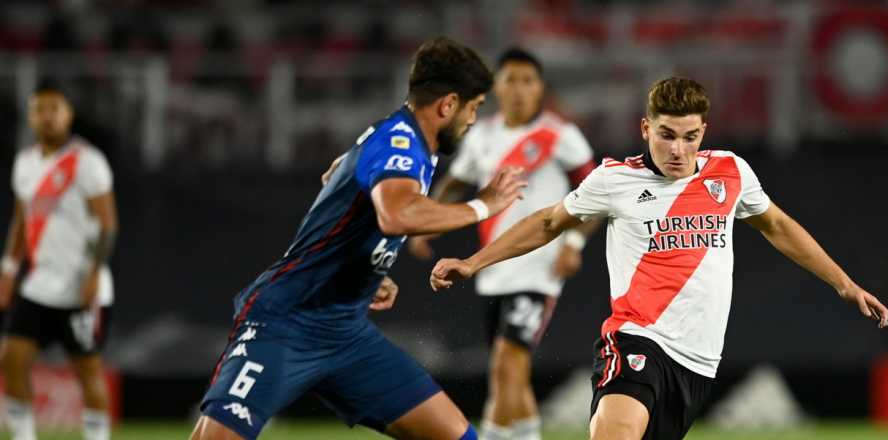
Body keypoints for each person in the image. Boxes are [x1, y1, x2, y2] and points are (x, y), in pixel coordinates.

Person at [430, 77, 888, 440]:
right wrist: (474, 262)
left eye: (690, 137)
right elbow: (549, 222)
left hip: (698, 363)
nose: (678, 150)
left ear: (703, 132)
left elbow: (779, 227)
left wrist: (844, 284)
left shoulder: (730, 172)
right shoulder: (615, 180)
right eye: (667, 135)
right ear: (646, 129)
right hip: (637, 340)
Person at [191, 37, 527, 440]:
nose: (473, 119)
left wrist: (366, 268)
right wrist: (483, 206)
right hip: (286, 322)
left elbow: (338, 184)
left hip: (345, 333)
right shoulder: (399, 143)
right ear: (448, 104)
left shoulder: (404, 142)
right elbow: (396, 215)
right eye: (473, 107)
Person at [408, 47, 598, 440]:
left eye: (528, 81)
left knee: (506, 360)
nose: (519, 89)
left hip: (538, 266)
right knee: (513, 369)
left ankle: (492, 435)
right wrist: (428, 223)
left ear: (540, 87)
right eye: (511, 80)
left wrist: (573, 244)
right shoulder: (482, 135)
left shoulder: (560, 135)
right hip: (493, 268)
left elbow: (595, 193)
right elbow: (456, 183)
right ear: (497, 87)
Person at [0, 84, 118, 440]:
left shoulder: (87, 161)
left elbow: (108, 224)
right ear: (31, 116)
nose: (48, 116)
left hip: (81, 287)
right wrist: (8, 269)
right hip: (40, 286)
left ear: (68, 114)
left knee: (88, 371)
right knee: (12, 360)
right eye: (40, 109)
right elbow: (21, 221)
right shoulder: (24, 163)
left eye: (55, 108)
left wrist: (94, 273)